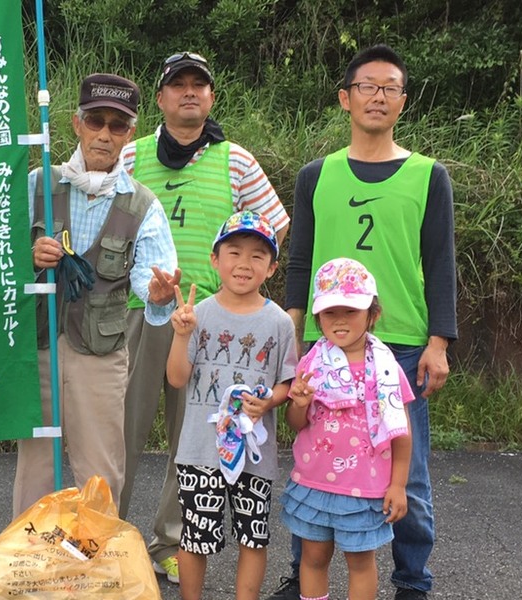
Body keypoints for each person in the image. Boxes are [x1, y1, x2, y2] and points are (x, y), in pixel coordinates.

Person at [273, 44, 458, 600]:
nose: (378, 96)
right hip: (324, 343)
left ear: (403, 101)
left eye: (390, 88)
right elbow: (300, 260)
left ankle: (412, 581)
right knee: (314, 460)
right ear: (345, 98)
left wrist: (439, 342)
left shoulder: (429, 176)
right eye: (367, 86)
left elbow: (440, 262)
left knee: (408, 471)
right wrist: (293, 331)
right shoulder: (316, 175)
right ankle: (302, 576)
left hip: (399, 344)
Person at [119, 50, 291, 584]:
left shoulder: (235, 160)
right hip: (139, 312)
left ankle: (169, 541)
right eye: (179, 85)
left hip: (211, 324)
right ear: (161, 98)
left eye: (199, 85)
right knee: (120, 431)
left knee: (192, 435)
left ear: (212, 97)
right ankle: (106, 540)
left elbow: (274, 225)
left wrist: (235, 282)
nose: (189, 92)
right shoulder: (132, 156)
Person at [13, 73, 178, 518]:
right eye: (95, 121)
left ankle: (99, 556)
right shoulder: (37, 184)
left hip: (102, 354)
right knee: (35, 469)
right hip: (39, 346)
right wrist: (30, 256)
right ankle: (31, 556)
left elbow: (151, 280)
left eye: (117, 125)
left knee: (101, 472)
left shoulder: (143, 205)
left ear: (130, 133)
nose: (105, 134)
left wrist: (159, 295)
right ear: (77, 124)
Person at [164, 210, 296, 600]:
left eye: (258, 255)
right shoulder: (197, 315)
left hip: (254, 453)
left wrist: (269, 402)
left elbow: (287, 383)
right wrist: (181, 336)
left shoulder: (279, 323)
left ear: (272, 268)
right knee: (195, 537)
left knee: (253, 537)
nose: (244, 263)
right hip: (200, 450)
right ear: (214, 259)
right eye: (234, 252)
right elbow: (176, 378)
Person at [281, 258, 413, 600]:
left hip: (365, 488)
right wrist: (299, 403)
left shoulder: (387, 368)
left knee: (360, 563)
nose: (340, 320)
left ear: (373, 314)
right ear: (318, 318)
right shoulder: (312, 363)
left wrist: (398, 484)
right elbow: (296, 424)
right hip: (314, 482)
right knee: (313, 559)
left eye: (351, 311)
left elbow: (401, 432)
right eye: (330, 312)